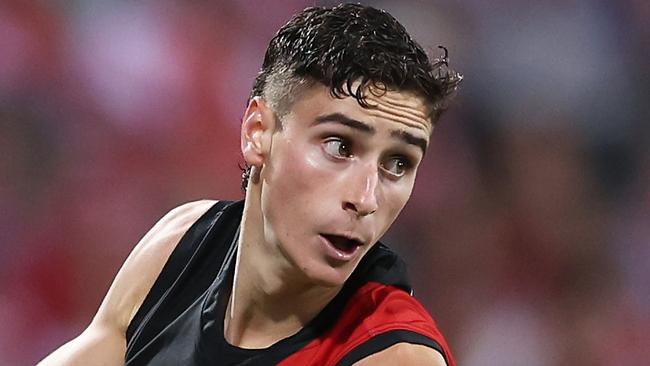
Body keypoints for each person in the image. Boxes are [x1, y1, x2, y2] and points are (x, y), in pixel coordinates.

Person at [39, 3, 462, 365]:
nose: (365, 198)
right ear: (258, 131)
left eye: (398, 163)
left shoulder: (390, 354)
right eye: (339, 146)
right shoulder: (182, 248)